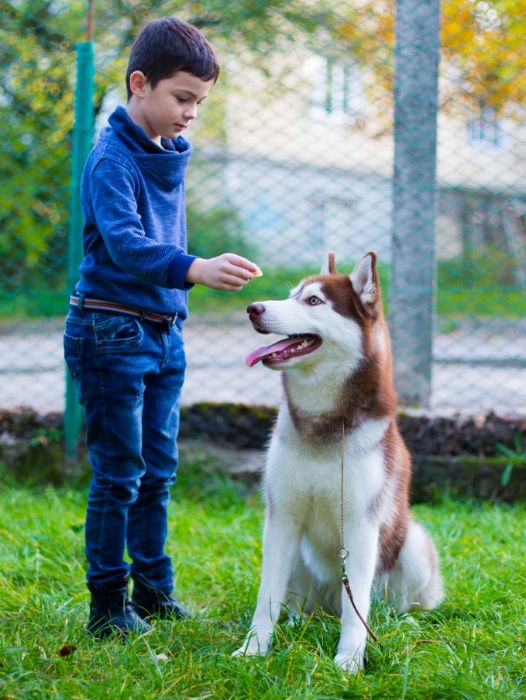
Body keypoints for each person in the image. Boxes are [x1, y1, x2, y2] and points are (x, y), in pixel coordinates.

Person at [63, 16, 261, 639]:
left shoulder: (164, 151)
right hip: (110, 332)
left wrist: (189, 274)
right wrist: (195, 268)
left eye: (200, 103)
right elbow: (126, 246)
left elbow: (161, 241)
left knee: (157, 469)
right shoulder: (111, 160)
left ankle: (153, 593)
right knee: (120, 473)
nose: (191, 115)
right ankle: (106, 608)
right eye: (183, 98)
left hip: (163, 330)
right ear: (139, 84)